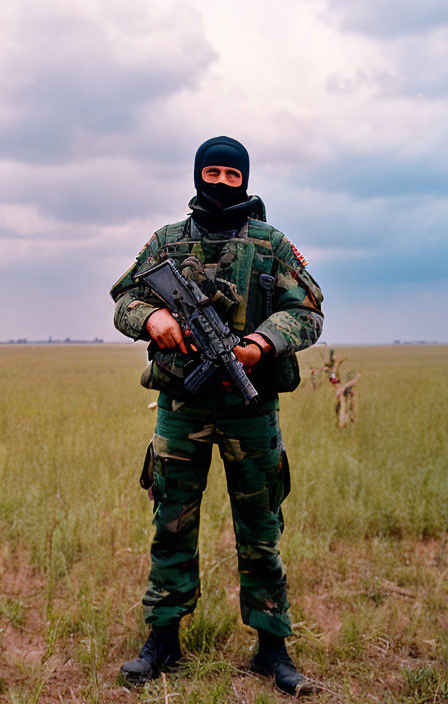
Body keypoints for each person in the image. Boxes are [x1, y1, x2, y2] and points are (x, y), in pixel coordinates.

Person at [110, 136, 323, 695]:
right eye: (214, 172)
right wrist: (153, 318)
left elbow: (307, 311)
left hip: (250, 406)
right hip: (182, 407)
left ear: (246, 180)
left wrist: (260, 342)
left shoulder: (271, 243)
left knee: (261, 528)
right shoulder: (167, 241)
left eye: (233, 174)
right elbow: (123, 299)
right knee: (171, 523)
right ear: (198, 175)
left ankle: (272, 646)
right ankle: (162, 639)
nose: (222, 182)